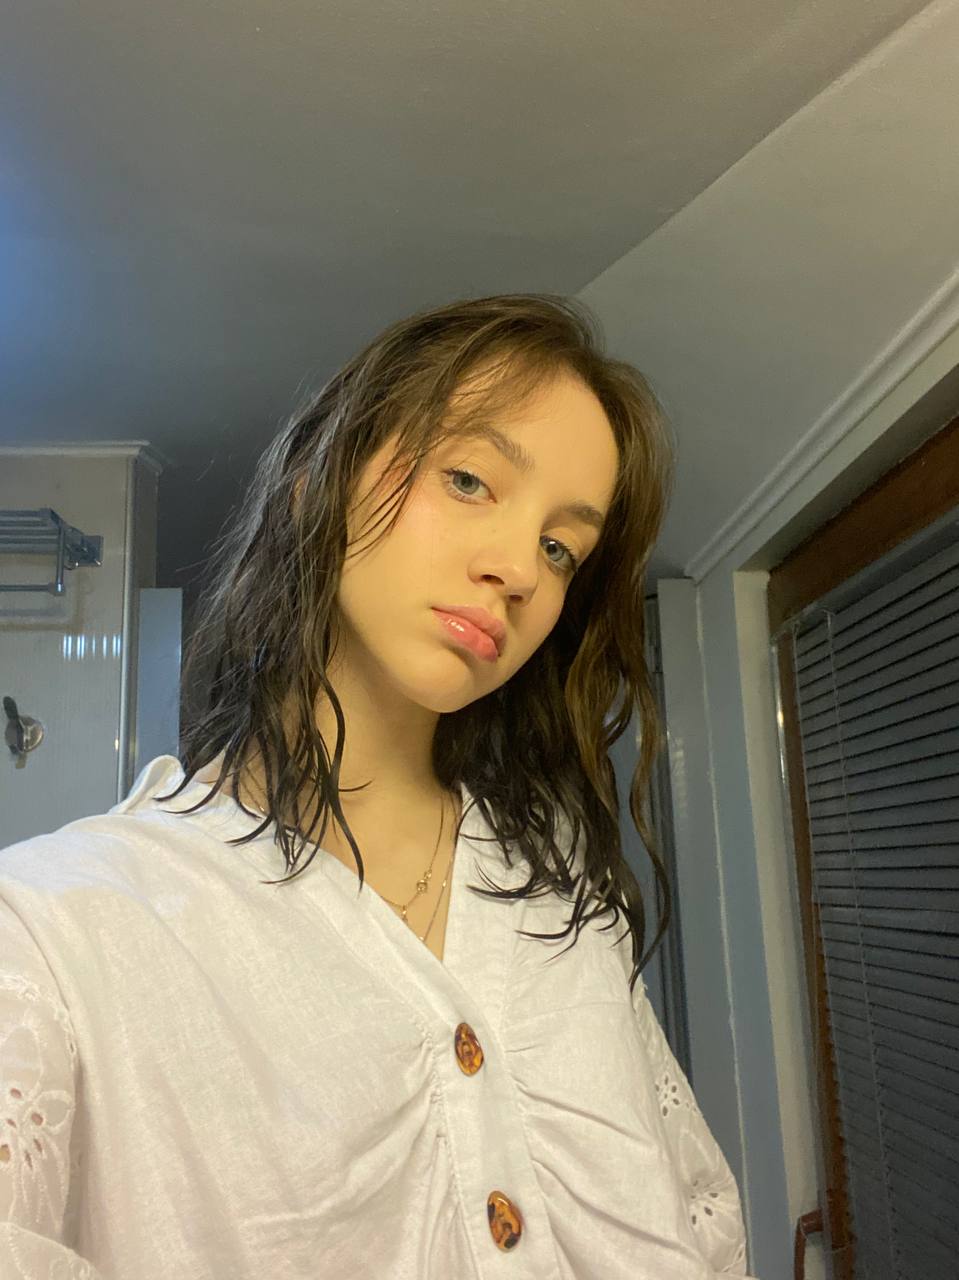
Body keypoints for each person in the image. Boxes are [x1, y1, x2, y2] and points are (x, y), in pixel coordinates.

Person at [0, 294, 753, 1278]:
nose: (519, 570)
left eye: (560, 547)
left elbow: (701, 1227)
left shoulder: (565, 907)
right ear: (317, 477)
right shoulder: (57, 931)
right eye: (469, 479)